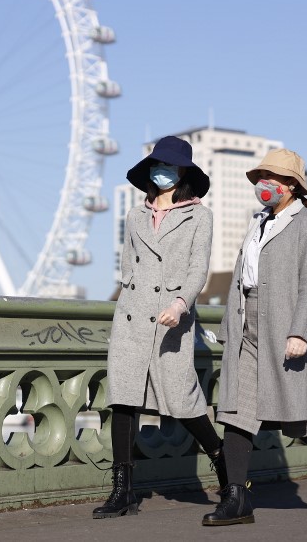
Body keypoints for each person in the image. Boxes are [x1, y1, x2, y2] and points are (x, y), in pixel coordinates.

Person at [202, 148, 307, 526]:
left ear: (292, 186)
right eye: (262, 177)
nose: (265, 184)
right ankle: (236, 498)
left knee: (298, 420)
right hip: (248, 324)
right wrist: (229, 328)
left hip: (285, 326)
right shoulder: (257, 222)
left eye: (273, 178)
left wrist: (299, 332)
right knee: (236, 413)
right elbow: (242, 281)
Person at [93, 135, 227, 519]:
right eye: (156, 165)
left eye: (167, 166)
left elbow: (197, 268)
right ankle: (123, 492)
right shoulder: (135, 215)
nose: (160, 171)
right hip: (132, 316)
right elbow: (128, 266)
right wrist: (129, 299)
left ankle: (224, 468)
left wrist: (180, 303)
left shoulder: (200, 216)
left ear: (182, 172)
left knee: (182, 401)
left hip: (172, 319)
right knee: (123, 399)